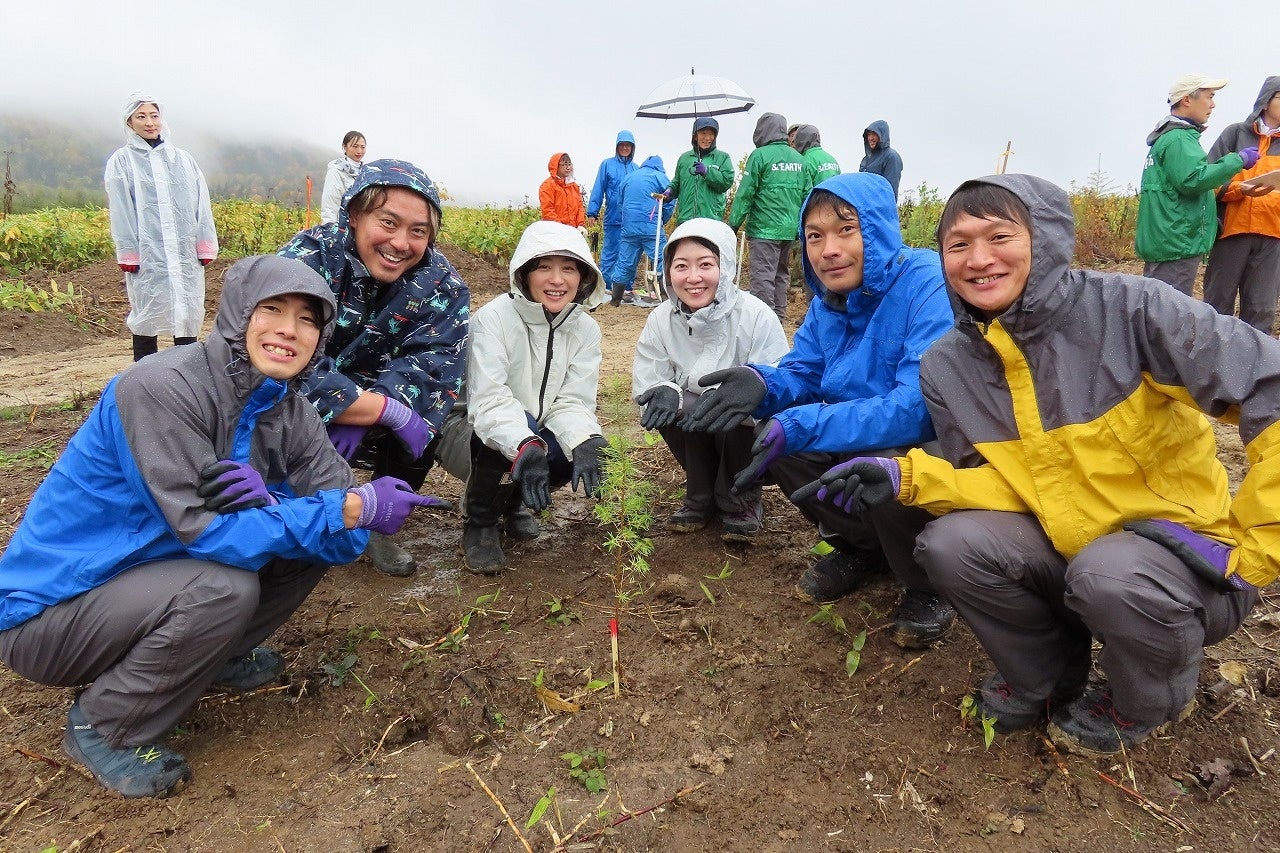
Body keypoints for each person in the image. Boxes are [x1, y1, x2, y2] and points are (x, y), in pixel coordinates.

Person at [798, 174, 1275, 757]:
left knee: (1107, 573)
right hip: (1064, 545)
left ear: (1043, 239)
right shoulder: (949, 364)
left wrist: (1258, 549)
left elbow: (1270, 388)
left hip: (1182, 562)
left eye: (1000, 237)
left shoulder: (1133, 310)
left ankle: (1146, 698)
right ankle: (1045, 676)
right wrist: (909, 477)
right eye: (958, 244)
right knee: (951, 543)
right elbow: (999, 484)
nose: (979, 259)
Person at [0, 255, 440, 798]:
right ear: (236, 313)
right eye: (271, 309)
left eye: (308, 319)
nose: (289, 329)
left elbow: (344, 538)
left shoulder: (292, 411)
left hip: (155, 578)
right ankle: (106, 725)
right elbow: (207, 533)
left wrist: (286, 501)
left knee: (309, 544)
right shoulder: (159, 389)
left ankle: (213, 656)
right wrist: (338, 508)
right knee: (225, 587)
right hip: (54, 611)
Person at [684, 173, 956, 648]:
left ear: (877, 229)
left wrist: (803, 424)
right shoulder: (829, 301)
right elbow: (804, 372)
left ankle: (929, 580)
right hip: (863, 431)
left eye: (846, 230)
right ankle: (864, 548)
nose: (829, 250)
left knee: (878, 454)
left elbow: (917, 407)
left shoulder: (926, 282)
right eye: (814, 236)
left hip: (929, 446)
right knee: (777, 439)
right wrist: (762, 383)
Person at [279, 159, 470, 577]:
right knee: (270, 416)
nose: (400, 243)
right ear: (353, 214)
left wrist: (380, 409)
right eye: (388, 222)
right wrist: (359, 407)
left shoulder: (442, 284)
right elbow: (280, 354)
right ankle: (290, 513)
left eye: (418, 231)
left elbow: (432, 366)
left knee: (424, 421)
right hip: (303, 398)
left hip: (381, 391)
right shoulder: (309, 258)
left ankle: (378, 521)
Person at [445, 221, 608, 572]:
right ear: (524, 273)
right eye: (544, 267)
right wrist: (526, 443)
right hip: (469, 432)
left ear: (583, 277)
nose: (557, 280)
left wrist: (585, 438)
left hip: (534, 426)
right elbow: (488, 402)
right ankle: (480, 520)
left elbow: (573, 401)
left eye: (569, 269)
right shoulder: (493, 319)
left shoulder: (585, 330)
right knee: (516, 434)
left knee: (575, 447)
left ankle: (513, 502)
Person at [632, 218, 788, 541]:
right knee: (670, 406)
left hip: (745, 429)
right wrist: (666, 392)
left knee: (731, 410)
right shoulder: (661, 319)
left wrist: (738, 395)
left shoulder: (757, 316)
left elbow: (779, 385)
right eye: (681, 266)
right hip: (696, 420)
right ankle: (699, 496)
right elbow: (649, 378)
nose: (693, 278)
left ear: (726, 266)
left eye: (705, 264)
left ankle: (741, 498)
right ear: (668, 271)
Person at [105, 92, 217, 363]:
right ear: (129, 122)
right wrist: (128, 252)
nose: (149, 122)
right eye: (141, 116)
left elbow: (201, 203)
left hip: (184, 253)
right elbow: (121, 209)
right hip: (149, 254)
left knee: (187, 312)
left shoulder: (183, 160)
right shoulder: (122, 161)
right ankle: (144, 372)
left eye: (154, 116)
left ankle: (187, 372)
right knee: (147, 313)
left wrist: (204, 243)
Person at [1137, 74, 1257, 295]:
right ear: (1186, 100)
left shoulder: (1169, 137)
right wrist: (1238, 160)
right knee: (1170, 309)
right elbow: (1193, 180)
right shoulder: (1179, 139)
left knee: (1158, 306)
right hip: (1176, 245)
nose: (1213, 104)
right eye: (1209, 96)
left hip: (1168, 243)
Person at [1203, 77, 1280, 334]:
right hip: (1231, 231)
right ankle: (1211, 358)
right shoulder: (1235, 134)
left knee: (1261, 309)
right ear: (1266, 101)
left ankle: (1255, 360)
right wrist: (1238, 190)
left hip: (1273, 237)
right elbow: (1208, 179)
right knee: (1217, 304)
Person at [729, 112, 807, 324]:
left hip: (764, 229)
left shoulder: (760, 156)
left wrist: (733, 225)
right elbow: (807, 194)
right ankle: (778, 318)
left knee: (763, 276)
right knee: (781, 274)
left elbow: (745, 193)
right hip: (789, 229)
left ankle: (762, 323)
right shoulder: (799, 159)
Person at [608, 155, 673, 308]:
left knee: (625, 262)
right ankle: (667, 299)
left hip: (629, 228)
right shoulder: (660, 177)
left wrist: (628, 220)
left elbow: (620, 204)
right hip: (651, 228)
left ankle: (615, 299)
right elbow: (669, 202)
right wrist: (661, 220)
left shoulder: (629, 178)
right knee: (662, 259)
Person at [587, 131, 638, 299]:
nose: (625, 148)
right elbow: (598, 187)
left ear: (632, 148)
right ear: (617, 146)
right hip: (613, 217)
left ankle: (626, 287)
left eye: (628, 145)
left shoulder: (636, 169)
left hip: (631, 219)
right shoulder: (607, 164)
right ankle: (608, 285)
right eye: (622, 145)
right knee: (610, 253)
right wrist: (592, 211)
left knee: (629, 254)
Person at [666, 117, 735, 225]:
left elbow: (726, 182)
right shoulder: (684, 158)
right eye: (703, 133)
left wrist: (707, 172)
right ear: (695, 136)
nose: (707, 138)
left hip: (711, 221)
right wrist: (670, 190)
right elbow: (677, 182)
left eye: (711, 134)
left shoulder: (723, 157)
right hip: (685, 220)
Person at [320, 131, 367, 225]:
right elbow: (330, 204)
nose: (359, 151)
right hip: (343, 226)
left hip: (362, 226)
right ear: (345, 147)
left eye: (363, 147)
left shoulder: (366, 172)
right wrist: (330, 228)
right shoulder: (336, 171)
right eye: (355, 146)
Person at [539, 152, 586, 229]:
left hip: (574, 231)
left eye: (569, 164)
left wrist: (580, 225)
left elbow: (580, 208)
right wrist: (561, 229)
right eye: (564, 164)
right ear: (556, 166)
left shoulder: (574, 186)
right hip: (555, 231)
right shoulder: (547, 186)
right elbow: (548, 211)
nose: (568, 167)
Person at [858, 120, 903, 200]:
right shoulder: (865, 160)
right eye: (869, 134)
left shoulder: (891, 157)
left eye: (874, 134)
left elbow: (890, 191)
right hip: (864, 205)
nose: (870, 138)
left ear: (882, 135)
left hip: (880, 206)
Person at [794, 124, 840, 197]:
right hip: (836, 201)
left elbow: (804, 190)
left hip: (817, 201)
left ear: (800, 140)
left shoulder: (805, 160)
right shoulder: (831, 159)